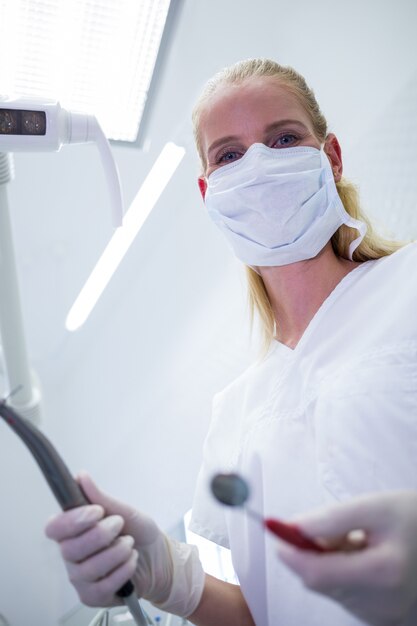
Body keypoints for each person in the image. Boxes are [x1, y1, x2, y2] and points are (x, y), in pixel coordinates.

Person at [45, 58, 417, 625]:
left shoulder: (407, 286)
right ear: (208, 191)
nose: (260, 166)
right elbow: (261, 613)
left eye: (284, 138)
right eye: (230, 155)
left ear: (331, 157)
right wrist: (172, 580)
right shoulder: (234, 414)